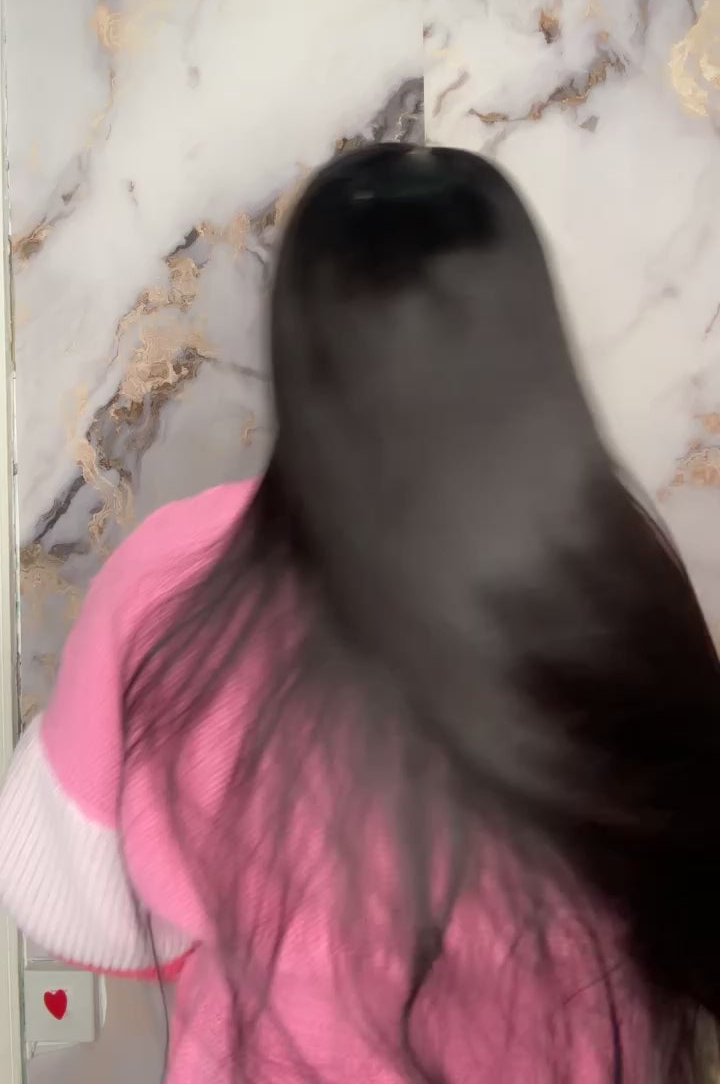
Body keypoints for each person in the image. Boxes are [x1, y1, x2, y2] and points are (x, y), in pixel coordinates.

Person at [1, 144, 719, 1084]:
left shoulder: (170, 579)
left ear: (302, 342)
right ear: (526, 338)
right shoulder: (619, 570)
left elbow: (73, 900)